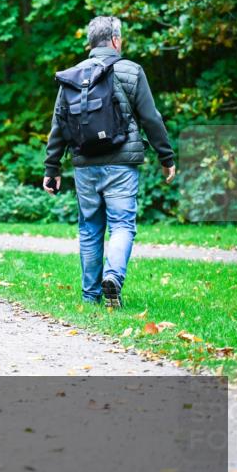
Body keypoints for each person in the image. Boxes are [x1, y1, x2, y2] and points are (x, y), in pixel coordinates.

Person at [44, 15, 176, 308]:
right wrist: (166, 157)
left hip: (85, 164)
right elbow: (151, 118)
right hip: (121, 163)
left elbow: (59, 125)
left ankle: (90, 296)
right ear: (116, 40)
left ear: (90, 42)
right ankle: (113, 278)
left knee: (90, 228)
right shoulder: (131, 70)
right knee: (122, 225)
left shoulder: (72, 76)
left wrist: (51, 168)